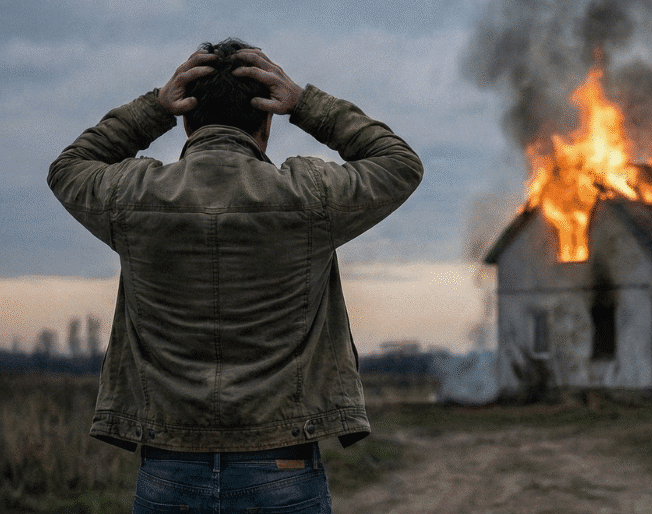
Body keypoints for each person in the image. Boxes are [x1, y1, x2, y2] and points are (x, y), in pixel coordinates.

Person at [47, 39, 423, 513]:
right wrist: (306, 104)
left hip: (169, 467)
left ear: (186, 118)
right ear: (267, 118)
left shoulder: (134, 196)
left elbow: (68, 168)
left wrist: (152, 108)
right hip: (282, 467)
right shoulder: (309, 196)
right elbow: (399, 164)